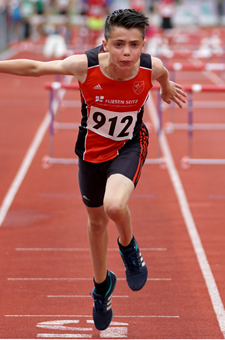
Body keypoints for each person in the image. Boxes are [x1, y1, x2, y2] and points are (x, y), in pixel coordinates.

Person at [0, 8, 186, 331]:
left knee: (115, 205)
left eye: (134, 45)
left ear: (143, 45)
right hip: (91, 153)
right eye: (118, 45)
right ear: (104, 44)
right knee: (96, 223)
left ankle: (129, 249)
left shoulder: (150, 67)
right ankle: (102, 288)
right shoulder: (84, 67)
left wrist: (167, 87)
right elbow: (35, 67)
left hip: (129, 146)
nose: (126, 53)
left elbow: (163, 74)